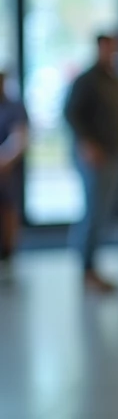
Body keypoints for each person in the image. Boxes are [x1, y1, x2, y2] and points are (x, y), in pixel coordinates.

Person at [64, 33, 118, 293]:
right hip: (95, 156)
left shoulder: (114, 79)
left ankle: (88, 259)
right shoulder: (87, 80)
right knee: (94, 211)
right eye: (110, 47)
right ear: (100, 47)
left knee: (102, 211)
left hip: (114, 153)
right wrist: (87, 144)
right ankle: (87, 267)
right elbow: (70, 114)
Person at [0, 71, 28, 282]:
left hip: (7, 170)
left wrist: (4, 161)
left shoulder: (14, 107)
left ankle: (8, 255)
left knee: (9, 209)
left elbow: (19, 138)